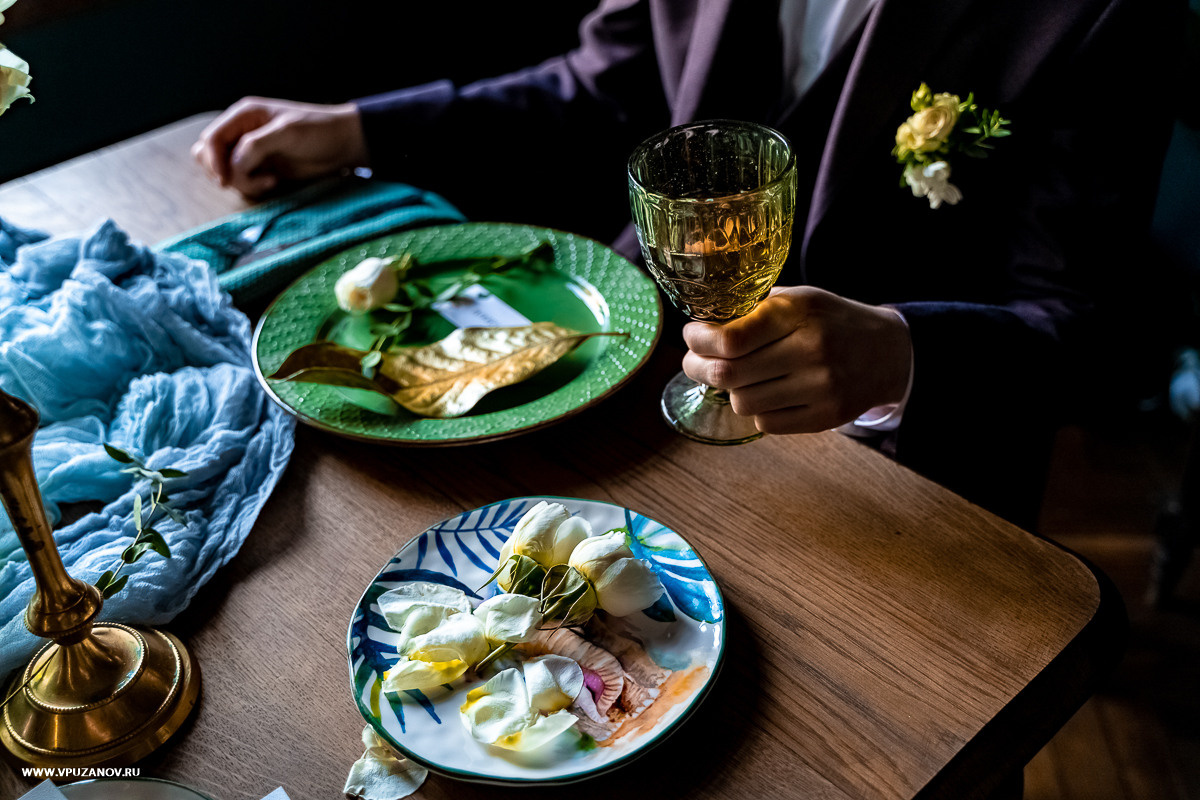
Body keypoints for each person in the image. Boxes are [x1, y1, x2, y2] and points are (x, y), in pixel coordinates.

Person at [194, 0, 1182, 528]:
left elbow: (1088, 329)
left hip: (898, 483)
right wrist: (361, 126)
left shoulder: (1099, 12)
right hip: (628, 385)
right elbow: (597, 87)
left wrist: (900, 357)